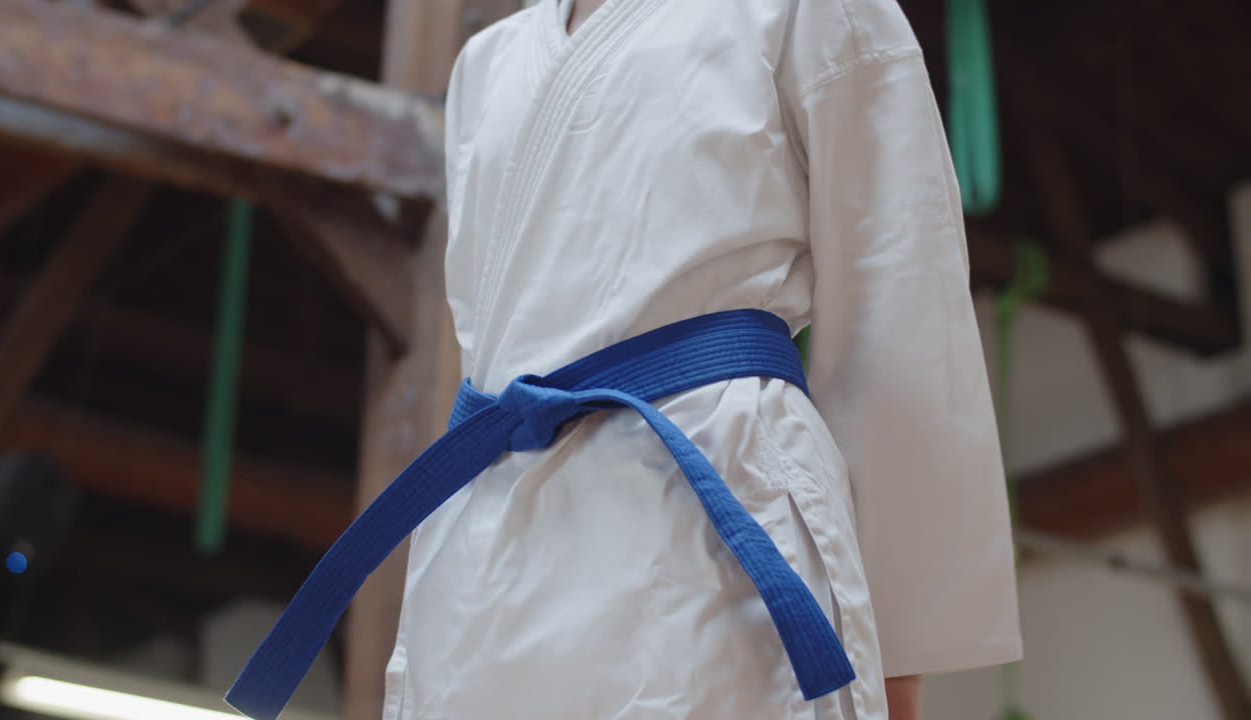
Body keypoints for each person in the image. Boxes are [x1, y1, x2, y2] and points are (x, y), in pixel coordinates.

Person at [226, 1, 1022, 719]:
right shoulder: (489, 61)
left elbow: (901, 311)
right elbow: (487, 333)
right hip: (494, 543)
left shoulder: (808, 9)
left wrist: (898, 659)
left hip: (716, 516)